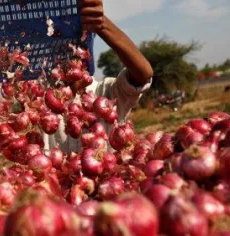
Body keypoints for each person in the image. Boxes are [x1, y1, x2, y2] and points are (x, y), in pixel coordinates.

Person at [43, 0, 154, 153]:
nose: (64, 57)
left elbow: (143, 74)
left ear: (85, 53)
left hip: (109, 175)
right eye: (58, 51)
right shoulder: (41, 104)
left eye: (71, 49)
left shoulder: (107, 92)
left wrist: (102, 25)